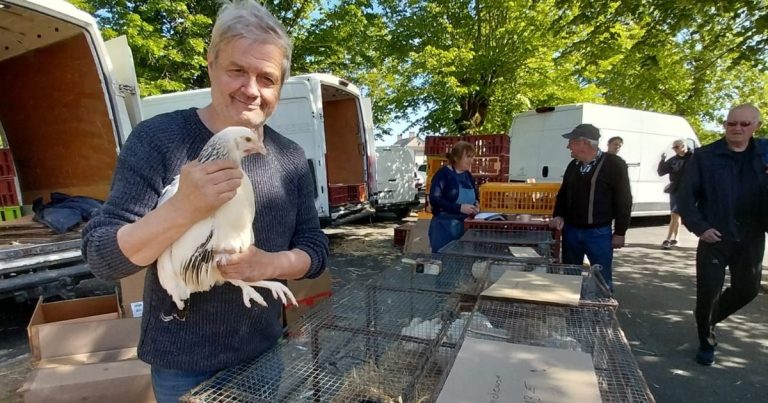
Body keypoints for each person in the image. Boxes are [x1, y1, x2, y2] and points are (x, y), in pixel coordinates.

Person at [81, 1, 329, 401]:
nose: (251, 90)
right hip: (183, 362)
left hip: (262, 351)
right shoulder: (159, 140)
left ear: (280, 86)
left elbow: (315, 249)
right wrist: (183, 208)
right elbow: (103, 258)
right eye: (237, 70)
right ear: (211, 64)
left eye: (266, 78)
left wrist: (270, 264)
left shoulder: (291, 158)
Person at [677, 104, 768, 366]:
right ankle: (706, 340)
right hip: (715, 236)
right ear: (725, 125)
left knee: (747, 290)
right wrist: (700, 227)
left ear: (756, 127)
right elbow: (684, 197)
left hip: (751, 235)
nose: (737, 128)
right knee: (708, 293)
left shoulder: (764, 153)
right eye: (732, 123)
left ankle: (707, 318)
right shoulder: (705, 157)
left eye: (744, 124)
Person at [549, 124, 632, 290]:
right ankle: (572, 311)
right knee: (570, 277)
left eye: (571, 142)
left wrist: (620, 232)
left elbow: (624, 199)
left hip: (598, 233)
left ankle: (601, 312)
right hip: (571, 231)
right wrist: (557, 215)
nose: (568, 146)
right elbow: (563, 194)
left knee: (601, 279)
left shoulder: (614, 164)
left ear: (583, 143)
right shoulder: (573, 166)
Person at [428, 141, 479, 253]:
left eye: (472, 157)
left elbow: (476, 194)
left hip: (464, 226)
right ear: (456, 158)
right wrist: (459, 208)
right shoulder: (443, 175)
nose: (471, 160)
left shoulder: (468, 176)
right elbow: (434, 199)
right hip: (444, 227)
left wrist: (476, 205)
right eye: (468, 157)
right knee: (443, 260)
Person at [657, 139, 693, 249]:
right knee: (675, 214)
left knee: (675, 214)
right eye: (673, 148)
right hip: (675, 189)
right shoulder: (673, 159)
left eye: (676, 147)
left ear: (683, 146)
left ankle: (667, 239)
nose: (675, 150)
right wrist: (662, 160)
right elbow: (661, 172)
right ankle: (676, 239)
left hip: (687, 190)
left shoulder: (694, 158)